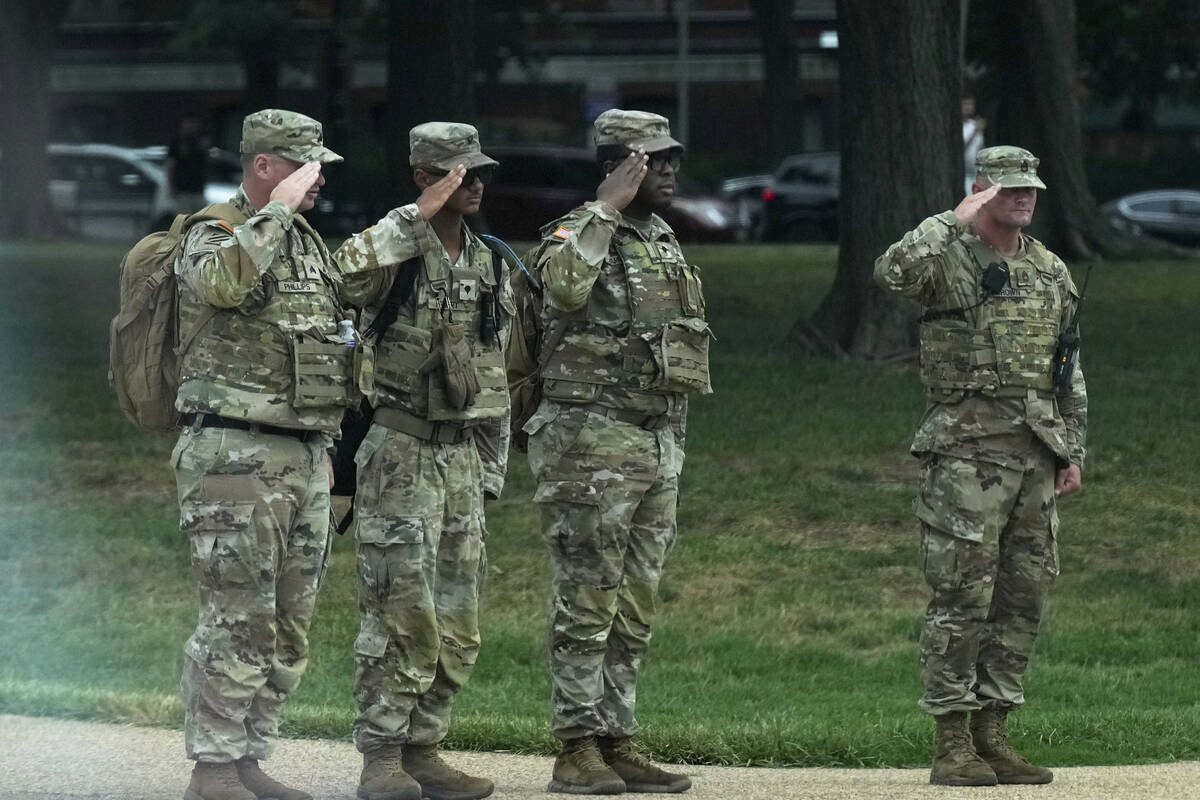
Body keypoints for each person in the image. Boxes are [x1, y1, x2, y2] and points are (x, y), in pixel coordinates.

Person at [875, 146, 1087, 787]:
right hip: (967, 456)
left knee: (1021, 600)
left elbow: (1067, 366)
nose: (1024, 198)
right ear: (982, 190)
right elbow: (890, 272)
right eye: (1010, 188)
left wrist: (1071, 449)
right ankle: (951, 742)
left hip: (1033, 459)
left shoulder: (1049, 270)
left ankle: (993, 733)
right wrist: (952, 218)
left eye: (1031, 189)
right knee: (961, 599)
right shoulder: (947, 258)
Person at [523, 109, 713, 795]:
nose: (667, 171)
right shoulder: (578, 230)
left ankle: (616, 738)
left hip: (656, 440)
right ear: (616, 164)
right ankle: (575, 747)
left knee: (635, 603)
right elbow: (564, 289)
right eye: (652, 160)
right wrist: (604, 210)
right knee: (587, 598)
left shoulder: (662, 239)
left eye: (670, 160)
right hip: (589, 441)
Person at [172, 109, 356, 800]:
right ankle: (213, 769)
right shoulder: (214, 230)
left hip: (303, 452)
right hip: (233, 453)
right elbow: (221, 286)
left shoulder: (308, 243)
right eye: (308, 166)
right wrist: (273, 216)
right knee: (236, 617)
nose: (319, 179)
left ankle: (248, 758)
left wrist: (325, 444)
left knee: (287, 622)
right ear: (265, 166)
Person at [333, 122, 512, 800]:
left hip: (462, 458)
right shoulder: (394, 251)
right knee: (397, 612)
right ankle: (381, 756)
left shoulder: (489, 258)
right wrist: (415, 218)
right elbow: (341, 273)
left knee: (459, 619)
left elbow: (497, 371)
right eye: (459, 173)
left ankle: (425, 747)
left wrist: (489, 472)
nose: (475, 184)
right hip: (400, 452)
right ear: (424, 176)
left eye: (478, 173)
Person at [167, 113, 211, 213]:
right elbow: (170, 165)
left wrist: (205, 149)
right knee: (186, 220)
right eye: (190, 123)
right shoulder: (177, 142)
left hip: (198, 189)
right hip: (183, 190)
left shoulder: (200, 142)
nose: (193, 126)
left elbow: (206, 164)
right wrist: (171, 186)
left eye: (195, 123)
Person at [962, 95, 986, 197]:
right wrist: (975, 132)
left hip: (977, 174)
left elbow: (981, 147)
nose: (969, 107)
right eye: (966, 104)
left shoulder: (976, 124)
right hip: (964, 175)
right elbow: (961, 149)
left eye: (971, 104)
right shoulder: (957, 126)